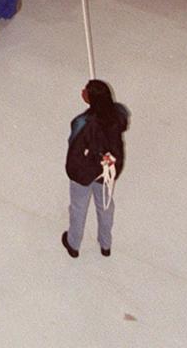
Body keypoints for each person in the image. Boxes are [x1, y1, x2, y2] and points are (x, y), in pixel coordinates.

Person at [62, 79, 129, 259]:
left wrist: (74, 172)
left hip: (85, 172)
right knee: (105, 206)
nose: (83, 91)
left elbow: (74, 146)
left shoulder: (84, 123)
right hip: (107, 170)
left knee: (78, 208)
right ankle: (105, 244)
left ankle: (73, 243)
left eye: (87, 91)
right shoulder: (117, 116)